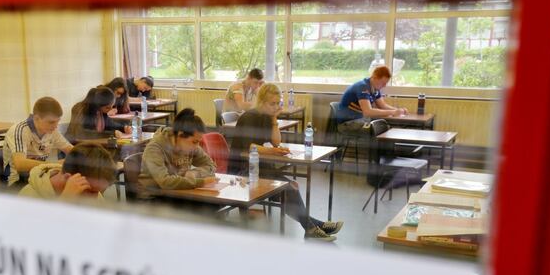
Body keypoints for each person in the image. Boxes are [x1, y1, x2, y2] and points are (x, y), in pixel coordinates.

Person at [228, 83, 343, 242]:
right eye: (272, 104)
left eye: (278, 103)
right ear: (261, 102)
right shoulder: (249, 117)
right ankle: (312, 227)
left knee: (290, 187)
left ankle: (313, 226)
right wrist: (272, 151)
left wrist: (274, 119)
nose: (276, 107)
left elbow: (276, 141)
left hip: (258, 167)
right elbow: (249, 147)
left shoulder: (267, 117)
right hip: (242, 170)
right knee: (288, 188)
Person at [138, 108, 217, 199]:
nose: (197, 146)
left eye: (199, 142)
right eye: (194, 142)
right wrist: (202, 182)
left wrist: (194, 173)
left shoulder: (190, 146)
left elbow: (211, 165)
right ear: (180, 134)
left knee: (212, 205)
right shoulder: (154, 149)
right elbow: (165, 182)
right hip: (153, 200)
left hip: (177, 195)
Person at [3, 96, 73, 187]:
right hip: (18, 181)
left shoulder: (51, 130)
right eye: (51, 122)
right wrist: (54, 164)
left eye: (57, 121)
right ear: (36, 118)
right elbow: (20, 164)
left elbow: (72, 150)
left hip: (38, 175)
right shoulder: (20, 130)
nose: (56, 126)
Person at [19, 143, 117, 200]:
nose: (95, 197)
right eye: (91, 191)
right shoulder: (28, 197)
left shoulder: (91, 188)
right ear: (68, 178)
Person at [335, 66, 407, 137]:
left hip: (360, 120)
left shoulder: (374, 88)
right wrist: (393, 112)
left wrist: (399, 110)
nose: (384, 86)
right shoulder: (363, 86)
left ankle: (382, 148)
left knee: (385, 126)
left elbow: (383, 105)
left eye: (386, 83)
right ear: (375, 77)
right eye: (383, 83)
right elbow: (368, 112)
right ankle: (379, 148)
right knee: (381, 128)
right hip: (347, 124)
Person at [65, 86, 131, 142]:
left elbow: (109, 123)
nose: (110, 110)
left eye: (112, 106)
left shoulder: (100, 110)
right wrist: (112, 134)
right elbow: (83, 133)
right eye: (108, 107)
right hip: (75, 145)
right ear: (98, 104)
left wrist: (123, 127)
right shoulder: (81, 109)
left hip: (94, 144)